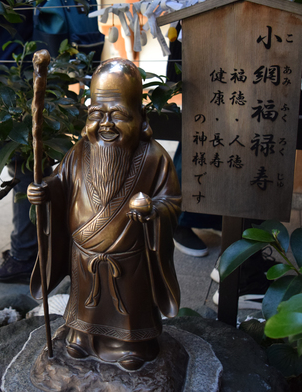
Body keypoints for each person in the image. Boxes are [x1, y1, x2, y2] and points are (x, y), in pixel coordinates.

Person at [27, 58, 181, 370]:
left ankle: (131, 343)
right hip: (84, 258)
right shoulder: (78, 153)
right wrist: (44, 192)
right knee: (84, 311)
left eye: (119, 115)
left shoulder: (154, 159)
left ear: (141, 117)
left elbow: (172, 202)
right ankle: (84, 338)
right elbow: (60, 185)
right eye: (97, 115)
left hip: (130, 261)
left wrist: (153, 210)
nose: (106, 124)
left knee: (129, 314)